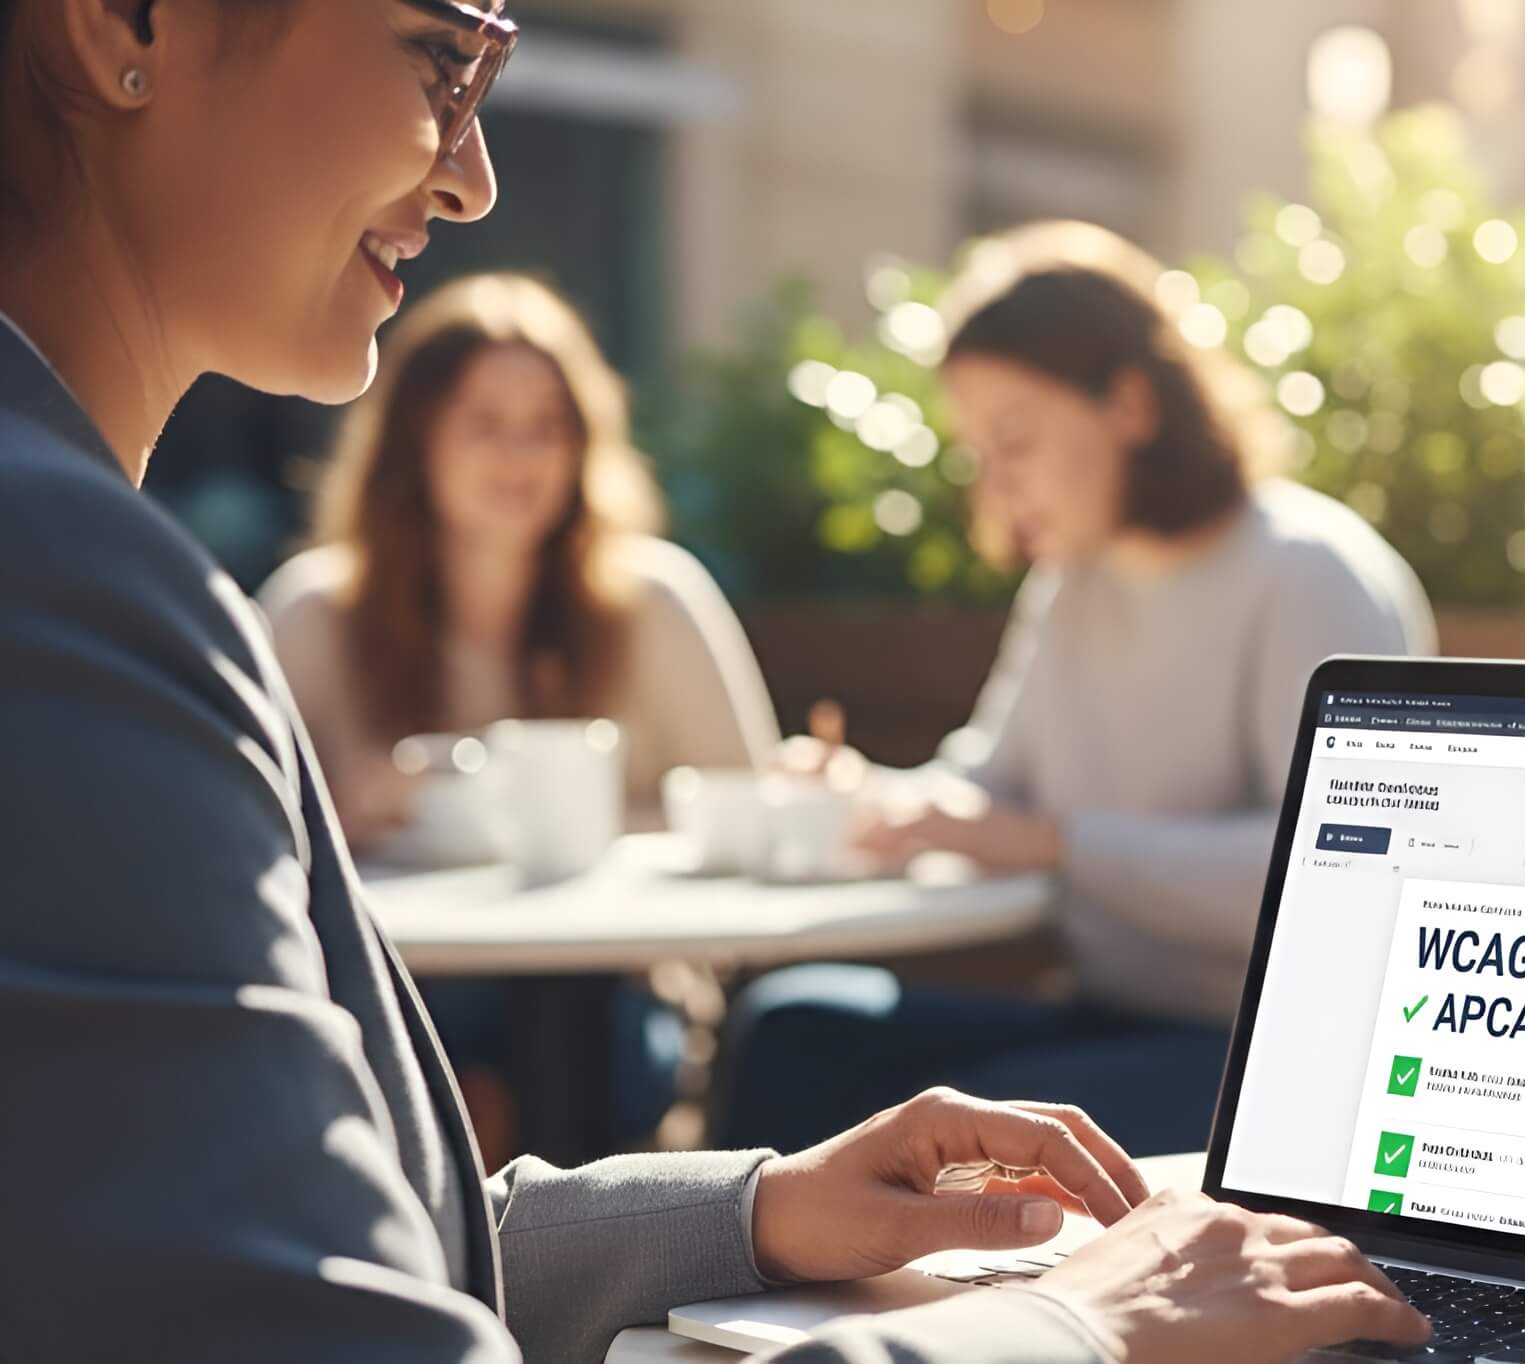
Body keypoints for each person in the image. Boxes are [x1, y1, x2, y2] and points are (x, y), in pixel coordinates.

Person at [0, 4, 1429, 1364]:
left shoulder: (1299, 572)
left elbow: (347, 1256)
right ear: (131, 15)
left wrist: (750, 1213)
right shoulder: (61, 580)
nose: (478, 176)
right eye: (442, 53)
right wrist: (1079, 1329)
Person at [719, 223, 1435, 1157]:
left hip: (1285, 1067)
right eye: (977, 452)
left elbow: (1340, 875)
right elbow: (988, 779)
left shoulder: (1309, 576)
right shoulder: (1072, 584)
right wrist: (873, 798)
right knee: (794, 1027)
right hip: (1113, 1017)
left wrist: (1057, 845)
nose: (994, 486)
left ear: (1130, 403)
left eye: (1014, 440)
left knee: (1005, 1113)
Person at [259, 271, 779, 1162]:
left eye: (549, 427)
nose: (522, 457)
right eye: (486, 425)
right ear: (413, 441)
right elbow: (245, 844)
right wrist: (347, 817)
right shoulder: (314, 616)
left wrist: (585, 829)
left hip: (613, 995)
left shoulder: (655, 602)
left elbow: (751, 819)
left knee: (566, 1014)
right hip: (396, 993)